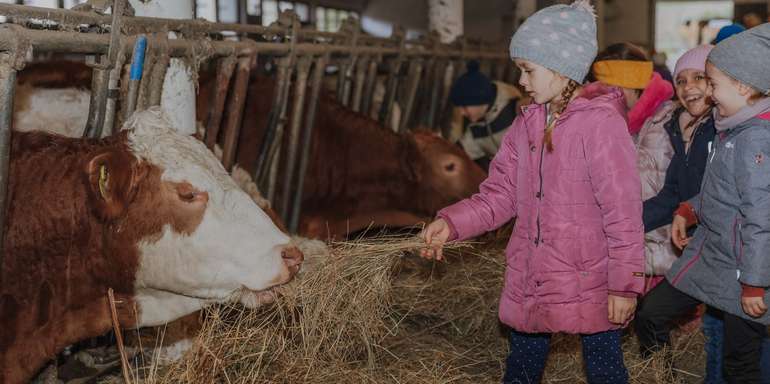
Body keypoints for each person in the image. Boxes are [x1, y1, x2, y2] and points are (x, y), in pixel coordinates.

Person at [418, 1, 645, 382]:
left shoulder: (601, 126)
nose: (521, 82)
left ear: (561, 69)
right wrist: (451, 223)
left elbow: (623, 214)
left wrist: (625, 287)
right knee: (521, 366)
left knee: (605, 368)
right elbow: (499, 194)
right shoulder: (527, 125)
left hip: (592, 277)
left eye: (528, 70)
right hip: (534, 273)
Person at [635, 23, 770, 384]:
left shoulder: (755, 138)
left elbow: (761, 217)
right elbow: (722, 188)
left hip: (746, 269)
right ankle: (663, 378)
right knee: (650, 313)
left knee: (740, 364)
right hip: (715, 257)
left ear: (742, 87)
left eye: (713, 83)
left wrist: (755, 283)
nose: (708, 92)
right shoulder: (731, 128)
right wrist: (689, 209)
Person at [448, 60, 524, 170]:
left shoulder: (518, 109)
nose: (461, 113)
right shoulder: (476, 132)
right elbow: (458, 154)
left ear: (480, 101)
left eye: (464, 107)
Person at [591, 42, 675, 138]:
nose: (609, 96)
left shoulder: (661, 120)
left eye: (617, 89)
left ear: (638, 84)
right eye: (602, 92)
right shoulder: (605, 116)